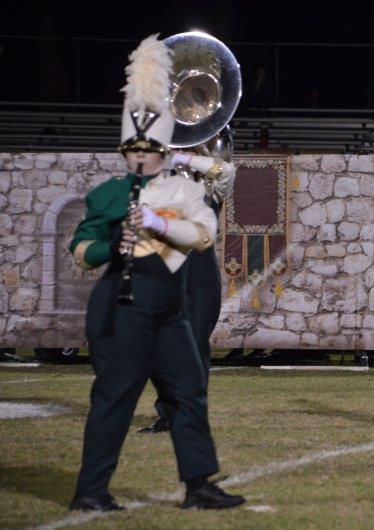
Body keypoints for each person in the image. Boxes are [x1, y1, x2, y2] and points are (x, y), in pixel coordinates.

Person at [68, 35, 243, 512]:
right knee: (114, 397)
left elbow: (204, 232)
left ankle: (199, 485)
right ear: (124, 151)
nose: (142, 157)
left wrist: (157, 220)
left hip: (172, 311)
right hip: (126, 305)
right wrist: (111, 246)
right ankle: (91, 491)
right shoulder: (108, 194)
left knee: (189, 394)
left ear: (164, 150)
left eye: (151, 149)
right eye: (134, 149)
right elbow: (82, 251)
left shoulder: (185, 193)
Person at [139, 140, 236, 434]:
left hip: (201, 278)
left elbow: (226, 170)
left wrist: (184, 157)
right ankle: (168, 414)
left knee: (195, 347)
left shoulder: (212, 189)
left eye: (193, 151)